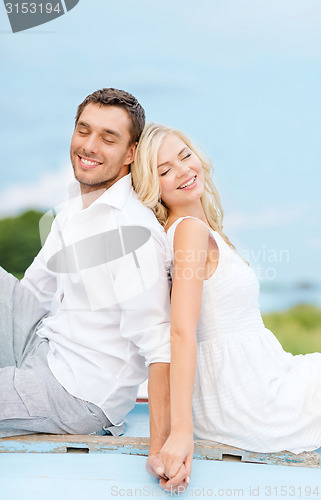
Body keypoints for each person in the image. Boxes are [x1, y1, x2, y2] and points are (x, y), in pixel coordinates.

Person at [0, 89, 188, 489]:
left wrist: (160, 447)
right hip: (45, 346)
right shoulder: (74, 207)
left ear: (130, 153)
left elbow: (159, 347)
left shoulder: (131, 233)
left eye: (108, 138)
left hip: (77, 393)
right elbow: (32, 292)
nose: (89, 146)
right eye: (83, 131)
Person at [132, 123, 321, 487]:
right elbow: (181, 330)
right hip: (247, 396)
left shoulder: (196, 229)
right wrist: (180, 433)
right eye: (165, 170)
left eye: (185, 156)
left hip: (258, 378)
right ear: (153, 187)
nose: (183, 171)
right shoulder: (188, 230)